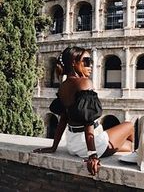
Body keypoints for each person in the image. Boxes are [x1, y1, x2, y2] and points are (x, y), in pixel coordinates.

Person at [34, 46, 134, 175]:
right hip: (91, 144)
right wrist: (92, 155)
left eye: (91, 61)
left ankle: (132, 152)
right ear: (74, 63)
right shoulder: (84, 83)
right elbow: (88, 121)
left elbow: (63, 119)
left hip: (72, 145)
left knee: (126, 147)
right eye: (86, 61)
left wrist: (54, 147)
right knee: (130, 125)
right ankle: (136, 155)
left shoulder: (63, 85)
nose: (90, 65)